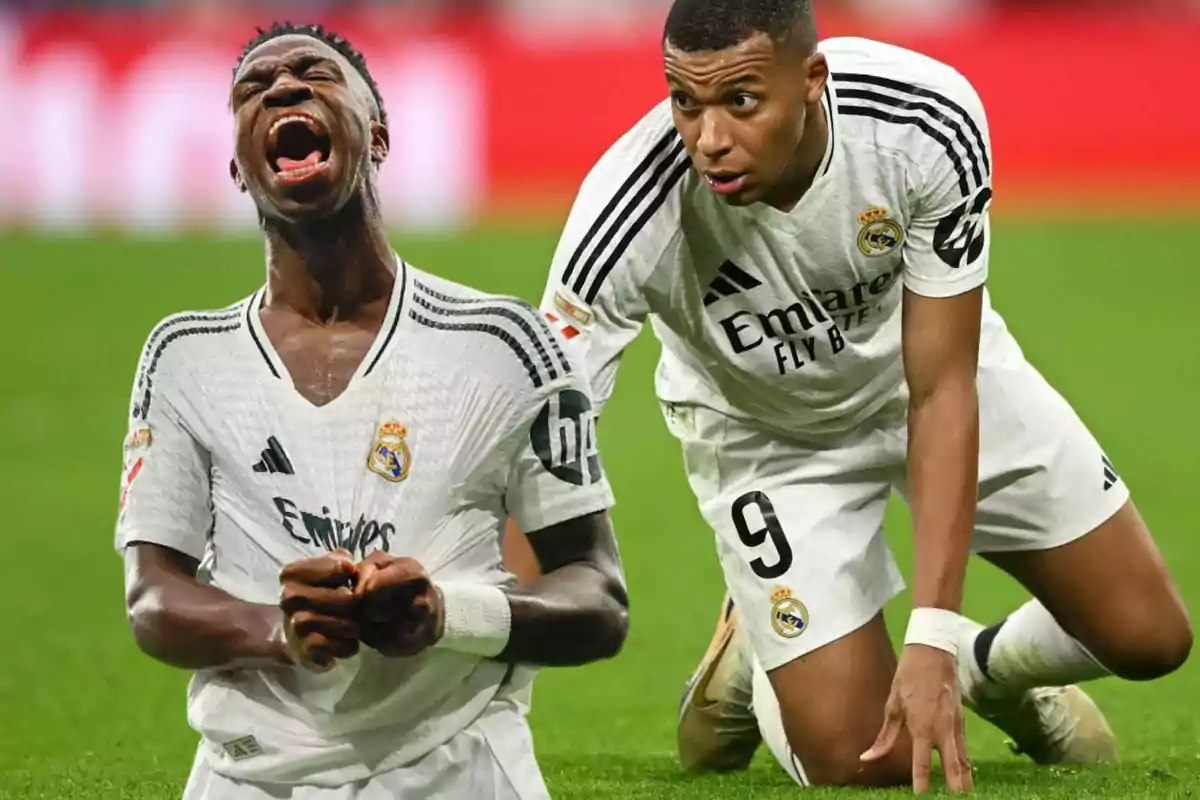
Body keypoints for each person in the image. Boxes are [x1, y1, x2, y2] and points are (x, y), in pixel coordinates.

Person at [512, 0, 1193, 791]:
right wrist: (469, 642)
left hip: (923, 379)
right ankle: (759, 659)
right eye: (684, 101)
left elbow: (941, 388)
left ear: (812, 81)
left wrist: (936, 643)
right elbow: (543, 447)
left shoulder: (923, 123)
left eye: (741, 101)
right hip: (764, 435)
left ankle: (981, 669)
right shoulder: (627, 210)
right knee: (863, 763)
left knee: (1148, 636)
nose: (708, 139)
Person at [116, 23, 627, 800]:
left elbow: (598, 597)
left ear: (378, 138)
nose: (284, 87)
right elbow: (153, 598)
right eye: (254, 88)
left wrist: (444, 616)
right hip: (248, 774)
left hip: (456, 761)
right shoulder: (185, 357)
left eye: (315, 74)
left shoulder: (505, 343)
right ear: (237, 170)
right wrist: (278, 633)